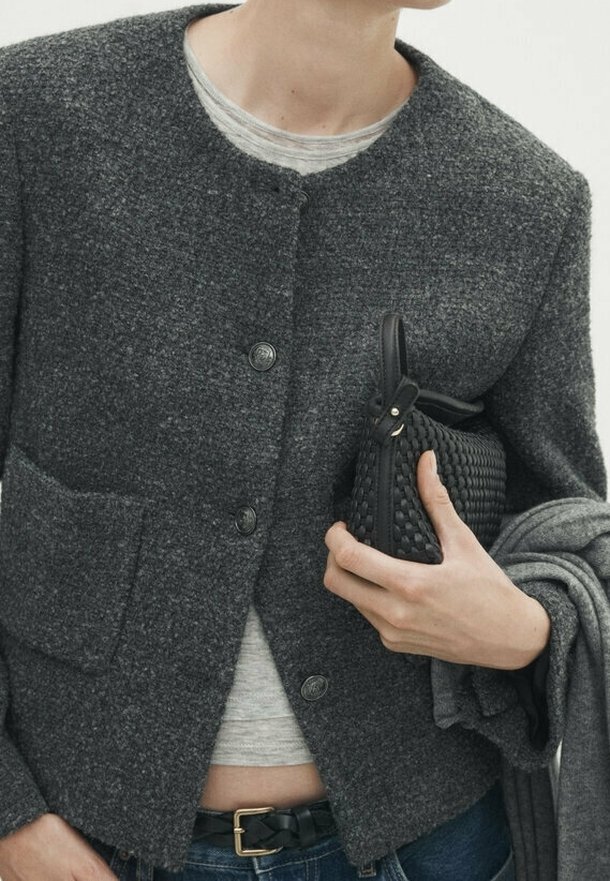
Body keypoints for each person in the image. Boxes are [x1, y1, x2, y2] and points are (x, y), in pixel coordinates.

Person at [0, 1, 605, 879]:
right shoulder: (37, 117)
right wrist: (10, 818)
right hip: (80, 840)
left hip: (432, 843)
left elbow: (568, 526)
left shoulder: (527, 201)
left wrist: (524, 628)